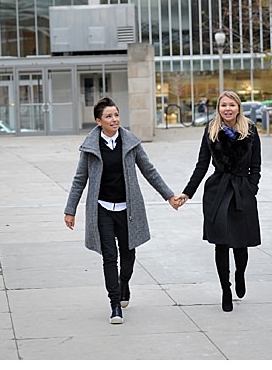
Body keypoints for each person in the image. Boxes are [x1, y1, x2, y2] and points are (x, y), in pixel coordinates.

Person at [63, 97, 184, 324]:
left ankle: (124, 283)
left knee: (128, 255)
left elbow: (149, 171)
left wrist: (169, 196)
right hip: (102, 210)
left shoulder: (130, 142)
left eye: (116, 115)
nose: (114, 119)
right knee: (110, 256)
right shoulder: (90, 147)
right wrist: (70, 210)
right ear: (99, 121)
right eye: (108, 116)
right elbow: (80, 179)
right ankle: (114, 304)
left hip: (128, 210)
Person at [178, 90, 262, 312]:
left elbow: (256, 164)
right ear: (219, 108)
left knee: (241, 243)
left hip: (242, 191)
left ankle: (240, 274)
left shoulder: (250, 130)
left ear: (238, 108)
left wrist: (251, 187)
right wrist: (188, 192)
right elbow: (201, 165)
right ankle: (225, 288)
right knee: (221, 243)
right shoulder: (211, 130)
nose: (227, 109)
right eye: (223, 105)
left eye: (231, 105)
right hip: (217, 192)